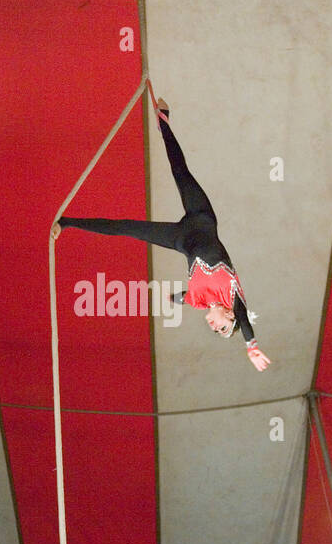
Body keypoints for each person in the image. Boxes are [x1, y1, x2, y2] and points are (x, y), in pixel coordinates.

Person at [53, 98, 270, 371]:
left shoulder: (199, 300)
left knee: (128, 228)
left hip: (180, 238)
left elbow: (177, 297)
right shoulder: (233, 296)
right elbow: (244, 319)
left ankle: (68, 222)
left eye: (217, 331)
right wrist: (251, 346)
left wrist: (168, 299)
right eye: (223, 328)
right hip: (202, 220)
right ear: (229, 314)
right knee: (180, 171)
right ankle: (164, 121)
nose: (216, 328)